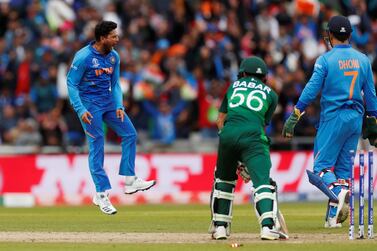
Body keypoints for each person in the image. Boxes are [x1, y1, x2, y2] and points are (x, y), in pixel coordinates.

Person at [282, 15, 377, 228]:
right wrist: (373, 120)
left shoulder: (325, 60)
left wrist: (296, 114)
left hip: (333, 117)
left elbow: (311, 89)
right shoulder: (363, 59)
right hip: (355, 119)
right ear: (350, 36)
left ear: (330, 35)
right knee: (342, 171)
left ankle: (337, 192)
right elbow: (370, 94)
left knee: (321, 169)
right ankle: (333, 219)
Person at [66, 21, 156, 215]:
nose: (117, 39)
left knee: (130, 134)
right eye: (113, 36)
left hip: (108, 104)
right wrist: (80, 109)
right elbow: (71, 84)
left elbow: (115, 84)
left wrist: (119, 106)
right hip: (89, 107)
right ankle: (101, 194)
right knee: (97, 145)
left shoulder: (114, 57)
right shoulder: (83, 57)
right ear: (102, 38)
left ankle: (130, 180)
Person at [209, 56, 288, 240]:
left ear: (242, 73)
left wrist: (232, 151)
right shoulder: (272, 95)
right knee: (262, 183)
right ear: (265, 78)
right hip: (253, 137)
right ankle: (267, 228)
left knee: (224, 181)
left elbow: (220, 120)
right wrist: (246, 159)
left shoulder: (233, 87)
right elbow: (260, 125)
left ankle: (220, 228)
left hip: (228, 135)